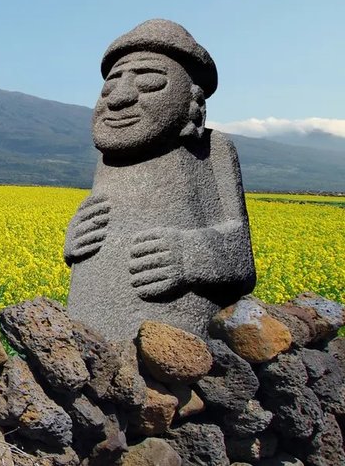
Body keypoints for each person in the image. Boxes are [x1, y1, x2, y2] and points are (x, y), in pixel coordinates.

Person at [64, 19, 256, 339]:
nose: (119, 97)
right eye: (109, 85)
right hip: (86, 341)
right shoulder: (106, 160)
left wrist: (187, 255)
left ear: (193, 101)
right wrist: (75, 239)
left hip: (174, 344)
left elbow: (240, 259)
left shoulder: (212, 149)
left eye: (150, 80)